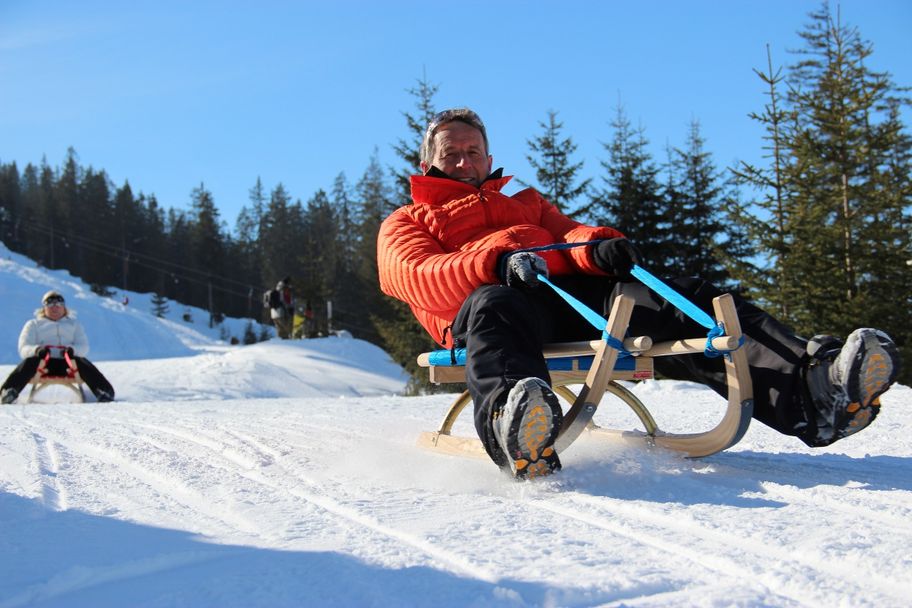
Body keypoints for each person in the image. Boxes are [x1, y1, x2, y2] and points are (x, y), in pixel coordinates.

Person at [377, 107, 901, 480]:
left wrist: (598, 247)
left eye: (474, 150)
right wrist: (493, 262)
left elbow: (569, 232)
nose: (466, 161)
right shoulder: (409, 218)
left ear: (489, 154)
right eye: (453, 154)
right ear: (431, 163)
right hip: (487, 311)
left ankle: (815, 389)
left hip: (563, 297)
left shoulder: (524, 198)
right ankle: (516, 424)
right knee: (497, 303)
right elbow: (412, 273)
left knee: (680, 296)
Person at [1, 290, 116, 404]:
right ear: (44, 308)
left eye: (59, 305)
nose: (55, 308)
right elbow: (24, 347)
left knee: (82, 362)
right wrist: (37, 350)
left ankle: (104, 391)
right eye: (50, 305)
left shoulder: (74, 325)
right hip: (43, 363)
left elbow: (84, 346)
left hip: (67, 363)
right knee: (30, 361)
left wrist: (72, 350)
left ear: (64, 308)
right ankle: (8, 391)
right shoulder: (34, 324)